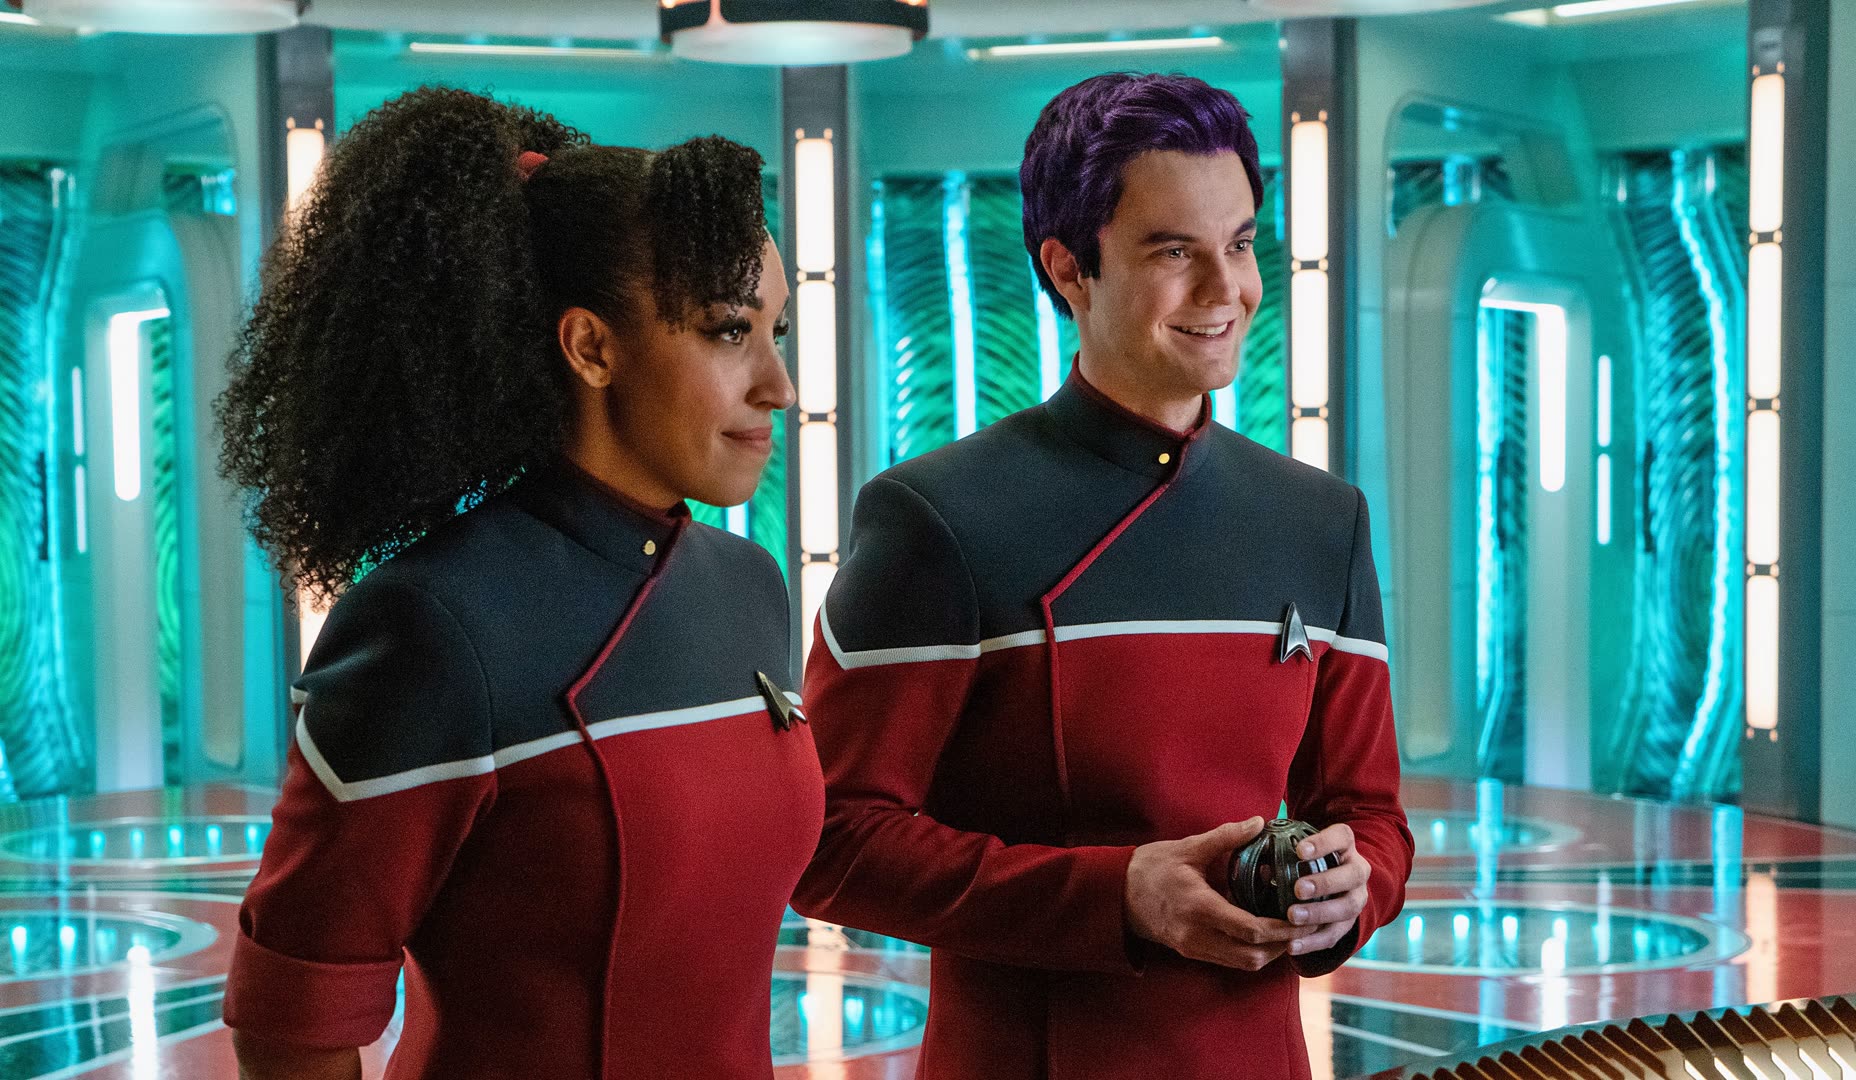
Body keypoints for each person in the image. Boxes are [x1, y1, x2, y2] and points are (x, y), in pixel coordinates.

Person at [790, 72, 1413, 1079]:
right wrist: (1120, 895)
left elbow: (1370, 816)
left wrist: (1356, 888)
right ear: (1069, 267)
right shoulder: (936, 518)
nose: (1225, 290)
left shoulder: (1321, 521)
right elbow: (826, 838)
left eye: (1240, 243)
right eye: (1174, 252)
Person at [217, 87, 820, 1080]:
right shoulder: (433, 625)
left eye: (777, 331)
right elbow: (293, 1024)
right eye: (727, 330)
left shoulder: (749, 589)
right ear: (591, 347)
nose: (778, 385)